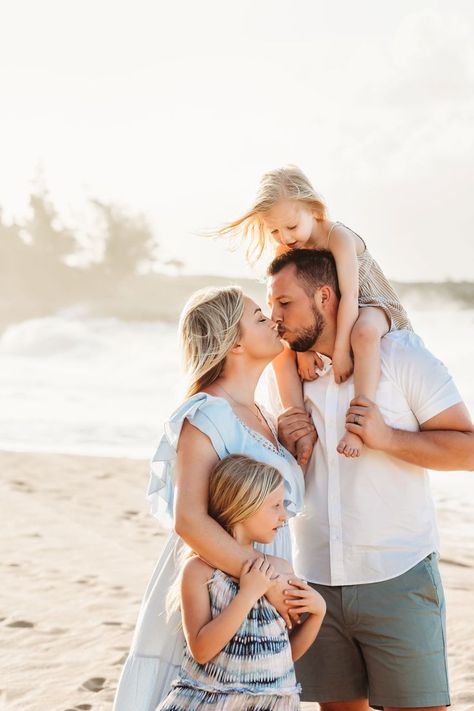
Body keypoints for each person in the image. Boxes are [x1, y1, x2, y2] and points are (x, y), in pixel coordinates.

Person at [266, 247, 474, 711]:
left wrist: (387, 437)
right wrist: (286, 449)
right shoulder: (283, 379)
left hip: (397, 575)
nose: (274, 317)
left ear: (324, 295)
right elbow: (274, 491)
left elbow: (469, 449)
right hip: (314, 580)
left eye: (284, 303)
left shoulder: (400, 356)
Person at [113, 286, 305, 711]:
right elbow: (190, 520)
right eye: (258, 317)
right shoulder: (207, 413)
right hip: (218, 575)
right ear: (234, 342)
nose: (272, 320)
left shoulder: (261, 413)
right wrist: (264, 582)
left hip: (261, 566)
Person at [218, 165, 411, 462]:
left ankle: (360, 425)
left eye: (291, 227)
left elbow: (349, 297)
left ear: (313, 208)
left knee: (363, 333)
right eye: (274, 231)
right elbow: (290, 303)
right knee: (280, 342)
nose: (284, 237)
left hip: (373, 304)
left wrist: (341, 351)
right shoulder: (285, 248)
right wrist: (301, 350)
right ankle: (298, 423)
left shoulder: (338, 237)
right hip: (328, 313)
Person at [157, 454, 326, 711]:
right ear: (244, 506)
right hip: (215, 703)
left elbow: (282, 658)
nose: (284, 516)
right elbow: (201, 650)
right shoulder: (200, 571)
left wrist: (318, 614)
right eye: (275, 506)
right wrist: (248, 595)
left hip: (271, 703)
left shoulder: (281, 569)